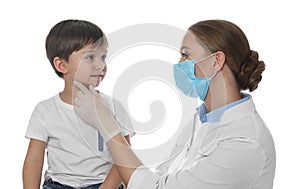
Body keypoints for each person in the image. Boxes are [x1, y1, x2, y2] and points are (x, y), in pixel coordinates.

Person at [74, 19, 276, 189]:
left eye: (186, 55)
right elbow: (161, 177)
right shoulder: (201, 120)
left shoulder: (245, 142)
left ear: (216, 61)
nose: (179, 63)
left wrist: (106, 125)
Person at [22, 19, 134, 189]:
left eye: (103, 57)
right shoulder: (45, 110)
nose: (101, 65)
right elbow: (34, 159)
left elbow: (124, 157)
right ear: (61, 65)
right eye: (90, 57)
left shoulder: (113, 107)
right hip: (58, 185)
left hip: (102, 184)